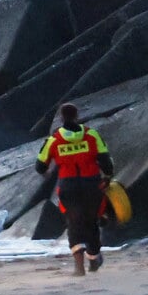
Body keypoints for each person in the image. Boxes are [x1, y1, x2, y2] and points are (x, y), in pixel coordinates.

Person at [37, 103, 115, 276]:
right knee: (92, 221)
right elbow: (105, 160)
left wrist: (48, 172)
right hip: (91, 184)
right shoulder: (91, 135)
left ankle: (79, 267)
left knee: (73, 223)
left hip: (68, 186)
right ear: (77, 116)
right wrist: (108, 177)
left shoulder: (54, 140)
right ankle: (94, 258)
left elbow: (40, 166)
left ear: (61, 118)